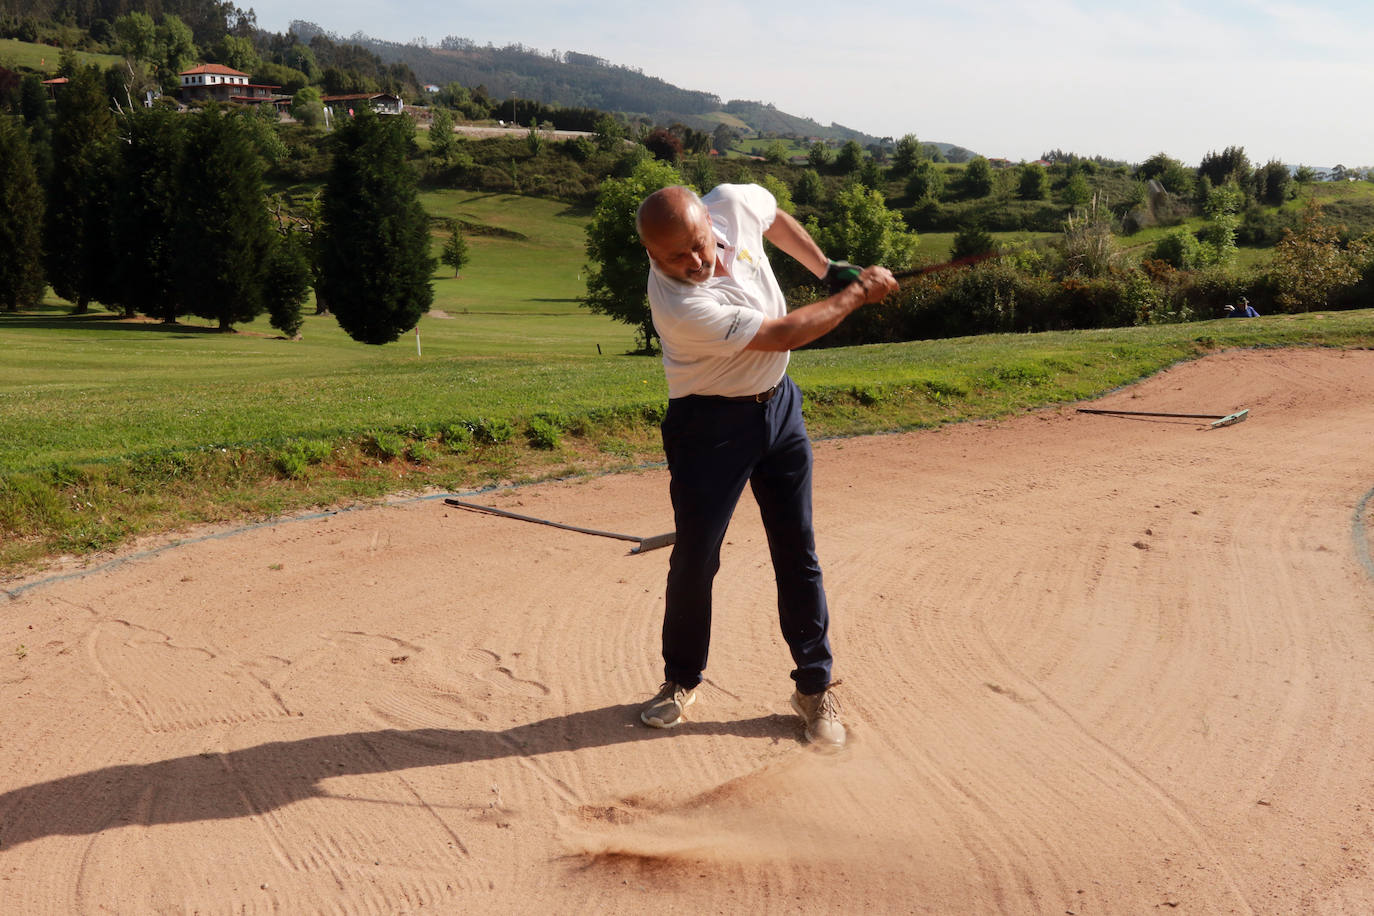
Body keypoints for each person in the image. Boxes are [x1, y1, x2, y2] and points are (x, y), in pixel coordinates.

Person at [634, 183, 896, 749]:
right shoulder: (681, 307)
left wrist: (828, 270)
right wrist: (853, 296)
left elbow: (772, 215)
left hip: (778, 408)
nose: (696, 261)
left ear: (709, 219)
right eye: (676, 256)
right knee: (696, 558)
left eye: (700, 244)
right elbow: (782, 335)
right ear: (652, 256)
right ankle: (680, 680)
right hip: (709, 428)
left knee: (797, 549)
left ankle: (814, 687)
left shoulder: (731, 201)